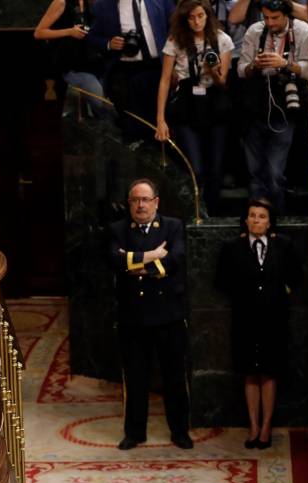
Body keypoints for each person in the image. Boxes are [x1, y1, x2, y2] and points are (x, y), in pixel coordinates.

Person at [107, 178, 192, 450]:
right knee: (136, 377)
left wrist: (142, 266)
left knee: (175, 377)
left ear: (156, 202)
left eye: (145, 200)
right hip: (133, 318)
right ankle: (135, 432)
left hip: (168, 316)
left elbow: (176, 258)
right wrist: (154, 254)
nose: (140, 205)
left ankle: (180, 431)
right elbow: (114, 260)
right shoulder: (117, 229)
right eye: (135, 200)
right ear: (129, 204)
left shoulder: (173, 226)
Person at [216, 198, 301, 449]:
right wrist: (243, 294)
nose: (256, 220)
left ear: (270, 221)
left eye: (261, 216)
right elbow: (221, 280)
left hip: (274, 319)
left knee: (269, 371)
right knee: (249, 372)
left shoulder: (283, 245)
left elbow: (296, 276)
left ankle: (266, 427)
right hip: (244, 318)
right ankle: (253, 426)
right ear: (245, 220)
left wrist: (281, 292)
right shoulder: (232, 247)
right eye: (252, 215)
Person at [154, 0, 233, 216]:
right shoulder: (175, 41)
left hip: (215, 106)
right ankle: (197, 213)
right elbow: (163, 81)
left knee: (216, 170)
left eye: (200, 16)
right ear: (184, 19)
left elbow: (224, 82)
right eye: (191, 17)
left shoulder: (222, 39)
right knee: (195, 169)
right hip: (186, 107)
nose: (196, 21)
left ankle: (212, 217)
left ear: (207, 16)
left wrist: (212, 70)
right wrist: (160, 119)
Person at [237, 0, 308, 213]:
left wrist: (284, 64)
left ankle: (276, 219)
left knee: (274, 172)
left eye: (275, 18)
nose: (269, 22)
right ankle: (256, 221)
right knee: (254, 173)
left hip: (285, 107)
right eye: (266, 17)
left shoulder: (301, 30)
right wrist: (254, 65)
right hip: (255, 106)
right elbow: (241, 70)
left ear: (286, 14)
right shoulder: (254, 31)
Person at [87, 0, 174, 130]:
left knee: (160, 117)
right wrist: (109, 43)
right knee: (132, 120)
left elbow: (175, 27)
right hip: (126, 71)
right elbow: (92, 37)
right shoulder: (103, 5)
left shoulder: (161, 1)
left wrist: (175, 65)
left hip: (158, 67)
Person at [35, 0, 109, 118]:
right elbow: (39, 33)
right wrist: (69, 32)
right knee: (103, 106)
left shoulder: (89, 4)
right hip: (73, 66)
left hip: (94, 63)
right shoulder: (61, 2)